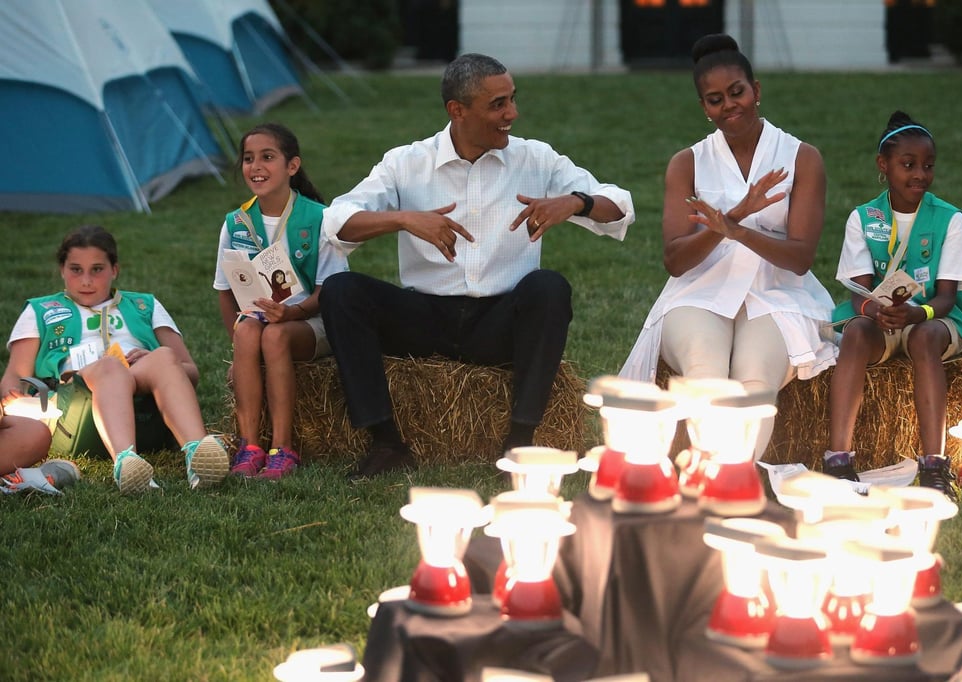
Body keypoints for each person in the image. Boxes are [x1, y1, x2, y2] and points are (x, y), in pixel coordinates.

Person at [319, 52, 634, 479]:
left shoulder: (535, 159)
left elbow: (620, 208)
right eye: (499, 104)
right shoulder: (406, 162)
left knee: (548, 287)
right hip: (424, 320)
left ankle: (519, 442)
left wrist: (577, 202)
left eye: (512, 100)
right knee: (342, 291)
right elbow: (336, 224)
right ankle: (386, 443)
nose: (513, 114)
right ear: (457, 111)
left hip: (500, 323)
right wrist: (404, 218)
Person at [619, 34, 837, 459]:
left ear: (756, 91)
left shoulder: (801, 157)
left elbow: (800, 258)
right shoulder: (687, 162)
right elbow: (676, 261)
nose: (729, 106)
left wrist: (738, 230)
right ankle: (713, 477)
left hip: (778, 292)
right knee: (706, 372)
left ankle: (729, 477)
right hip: (699, 292)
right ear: (704, 108)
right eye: (715, 99)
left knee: (755, 381)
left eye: (737, 92)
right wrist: (731, 218)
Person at [0, 225, 229, 494]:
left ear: (114, 270)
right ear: (62, 270)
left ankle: (197, 453)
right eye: (76, 269)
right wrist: (14, 401)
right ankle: (126, 462)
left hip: (145, 402)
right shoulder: (40, 309)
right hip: (74, 406)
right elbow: (14, 375)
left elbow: (191, 372)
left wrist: (153, 357)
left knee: (165, 356)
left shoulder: (145, 305)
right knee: (110, 366)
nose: (86, 280)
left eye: (97, 269)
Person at [825, 111, 962, 500]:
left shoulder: (951, 220)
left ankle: (934, 465)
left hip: (933, 319)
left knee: (925, 338)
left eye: (928, 166)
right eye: (908, 165)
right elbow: (858, 292)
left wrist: (916, 313)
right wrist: (875, 312)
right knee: (856, 332)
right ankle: (838, 460)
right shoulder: (863, 217)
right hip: (882, 320)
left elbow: (945, 298)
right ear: (884, 166)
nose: (920, 175)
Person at [213, 123, 349, 479]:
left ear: (292, 166)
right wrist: (240, 352)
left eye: (267, 157)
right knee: (247, 333)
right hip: (262, 321)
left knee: (274, 336)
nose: (255, 166)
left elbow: (332, 292)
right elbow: (224, 290)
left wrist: (292, 313)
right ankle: (250, 446)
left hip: (311, 321)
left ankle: (283, 447)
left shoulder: (319, 218)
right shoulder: (236, 222)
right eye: (248, 159)